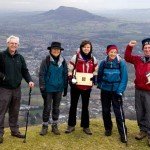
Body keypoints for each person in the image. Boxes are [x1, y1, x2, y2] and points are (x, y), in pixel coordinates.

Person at [0, 35, 34, 144]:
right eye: (12, 43)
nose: (14, 45)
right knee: (1, 112)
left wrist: (29, 80)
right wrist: (4, 77)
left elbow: (25, 71)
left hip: (17, 88)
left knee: (15, 111)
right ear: (8, 44)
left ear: (18, 45)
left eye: (16, 44)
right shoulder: (2, 56)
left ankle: (14, 131)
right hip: (4, 89)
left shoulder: (20, 57)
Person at [65, 40, 98, 135]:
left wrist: (94, 78)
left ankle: (86, 126)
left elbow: (95, 70)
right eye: (84, 47)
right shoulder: (75, 58)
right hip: (76, 85)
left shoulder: (93, 59)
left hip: (87, 86)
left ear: (90, 48)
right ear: (81, 48)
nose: (86, 48)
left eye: (88, 47)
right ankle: (71, 125)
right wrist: (70, 79)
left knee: (85, 106)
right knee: (73, 105)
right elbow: (70, 69)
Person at [97, 45, 128, 143]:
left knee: (118, 112)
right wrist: (100, 85)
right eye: (111, 52)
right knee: (105, 111)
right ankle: (108, 128)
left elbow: (124, 78)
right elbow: (99, 75)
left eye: (115, 52)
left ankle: (123, 133)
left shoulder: (121, 63)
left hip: (116, 91)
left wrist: (120, 91)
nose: (113, 54)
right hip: (105, 90)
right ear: (107, 52)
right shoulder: (103, 62)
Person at [124, 39, 150, 146]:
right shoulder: (139, 59)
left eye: (149, 48)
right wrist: (129, 47)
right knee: (140, 110)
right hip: (139, 89)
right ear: (143, 49)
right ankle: (143, 130)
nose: (147, 50)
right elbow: (127, 57)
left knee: (149, 111)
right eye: (145, 48)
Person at [39, 41, 68, 136]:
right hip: (48, 88)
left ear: (60, 51)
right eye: (54, 49)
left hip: (59, 88)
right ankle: (45, 126)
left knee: (56, 107)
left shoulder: (63, 61)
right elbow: (42, 74)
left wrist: (65, 87)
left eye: (58, 49)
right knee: (47, 107)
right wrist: (42, 86)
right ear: (50, 50)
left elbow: (65, 75)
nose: (56, 51)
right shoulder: (46, 61)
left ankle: (54, 125)